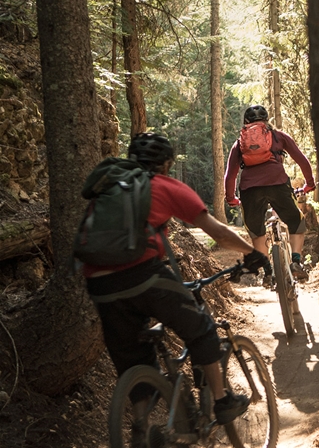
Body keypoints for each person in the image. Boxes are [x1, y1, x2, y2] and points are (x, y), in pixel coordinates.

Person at [82, 133, 271, 436]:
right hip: (143, 275)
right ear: (166, 165)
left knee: (134, 358)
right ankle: (222, 401)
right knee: (202, 327)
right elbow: (218, 233)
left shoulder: (109, 187)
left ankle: (141, 428)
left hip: (99, 284)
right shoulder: (164, 186)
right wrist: (252, 253)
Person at [224, 104, 316, 282]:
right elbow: (303, 161)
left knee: (257, 231)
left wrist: (231, 199)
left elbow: (230, 175)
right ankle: (296, 262)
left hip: (249, 190)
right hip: (278, 184)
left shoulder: (239, 143)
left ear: (246, 123)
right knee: (296, 222)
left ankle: (267, 272)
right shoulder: (278, 136)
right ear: (266, 121)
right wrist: (309, 185)